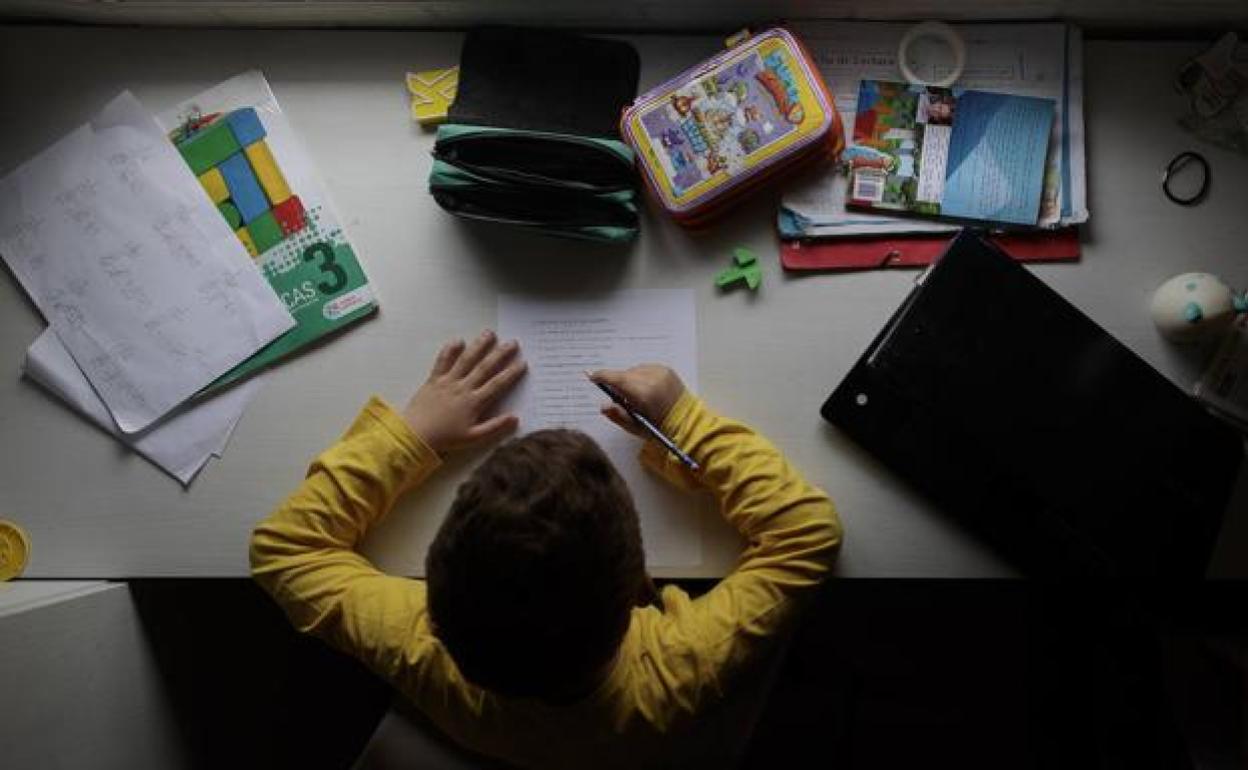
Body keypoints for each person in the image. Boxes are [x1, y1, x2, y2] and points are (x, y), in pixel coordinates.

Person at [250, 330, 842, 768]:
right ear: (643, 586)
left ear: (433, 599)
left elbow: (284, 552)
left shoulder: (420, 650)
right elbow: (806, 533)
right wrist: (686, 422)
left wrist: (414, 434)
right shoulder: (673, 674)